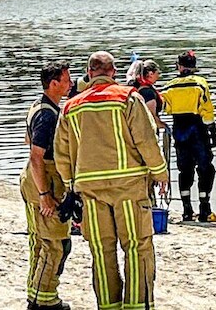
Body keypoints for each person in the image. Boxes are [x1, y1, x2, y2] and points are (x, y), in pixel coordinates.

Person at [55, 51, 168, 310]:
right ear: (114, 72)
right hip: (128, 186)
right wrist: (160, 172)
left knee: (102, 252)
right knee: (137, 248)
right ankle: (137, 305)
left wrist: (70, 184)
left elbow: (62, 152)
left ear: (90, 73)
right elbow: (146, 140)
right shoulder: (128, 98)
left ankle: (108, 305)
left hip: (90, 189)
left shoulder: (72, 106)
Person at [21, 61, 74, 310]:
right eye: (66, 80)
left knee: (41, 242)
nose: (71, 84)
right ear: (54, 84)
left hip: (33, 180)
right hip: (42, 183)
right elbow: (36, 156)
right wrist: (45, 194)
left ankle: (35, 296)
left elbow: (27, 140)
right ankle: (45, 301)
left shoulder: (39, 106)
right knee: (56, 245)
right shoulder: (47, 115)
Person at [160, 51, 216, 222]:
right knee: (206, 169)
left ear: (178, 66)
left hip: (180, 128)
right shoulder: (200, 83)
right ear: (194, 66)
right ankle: (204, 207)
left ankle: (187, 209)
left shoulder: (169, 86)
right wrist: (212, 129)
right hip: (198, 128)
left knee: (184, 170)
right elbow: (207, 108)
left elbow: (165, 107)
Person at [129, 59, 166, 131]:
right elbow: (151, 118)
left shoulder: (133, 85)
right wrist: (165, 127)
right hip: (147, 132)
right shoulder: (148, 94)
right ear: (151, 74)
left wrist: (136, 63)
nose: (158, 76)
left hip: (134, 129)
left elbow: (129, 74)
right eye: (157, 73)